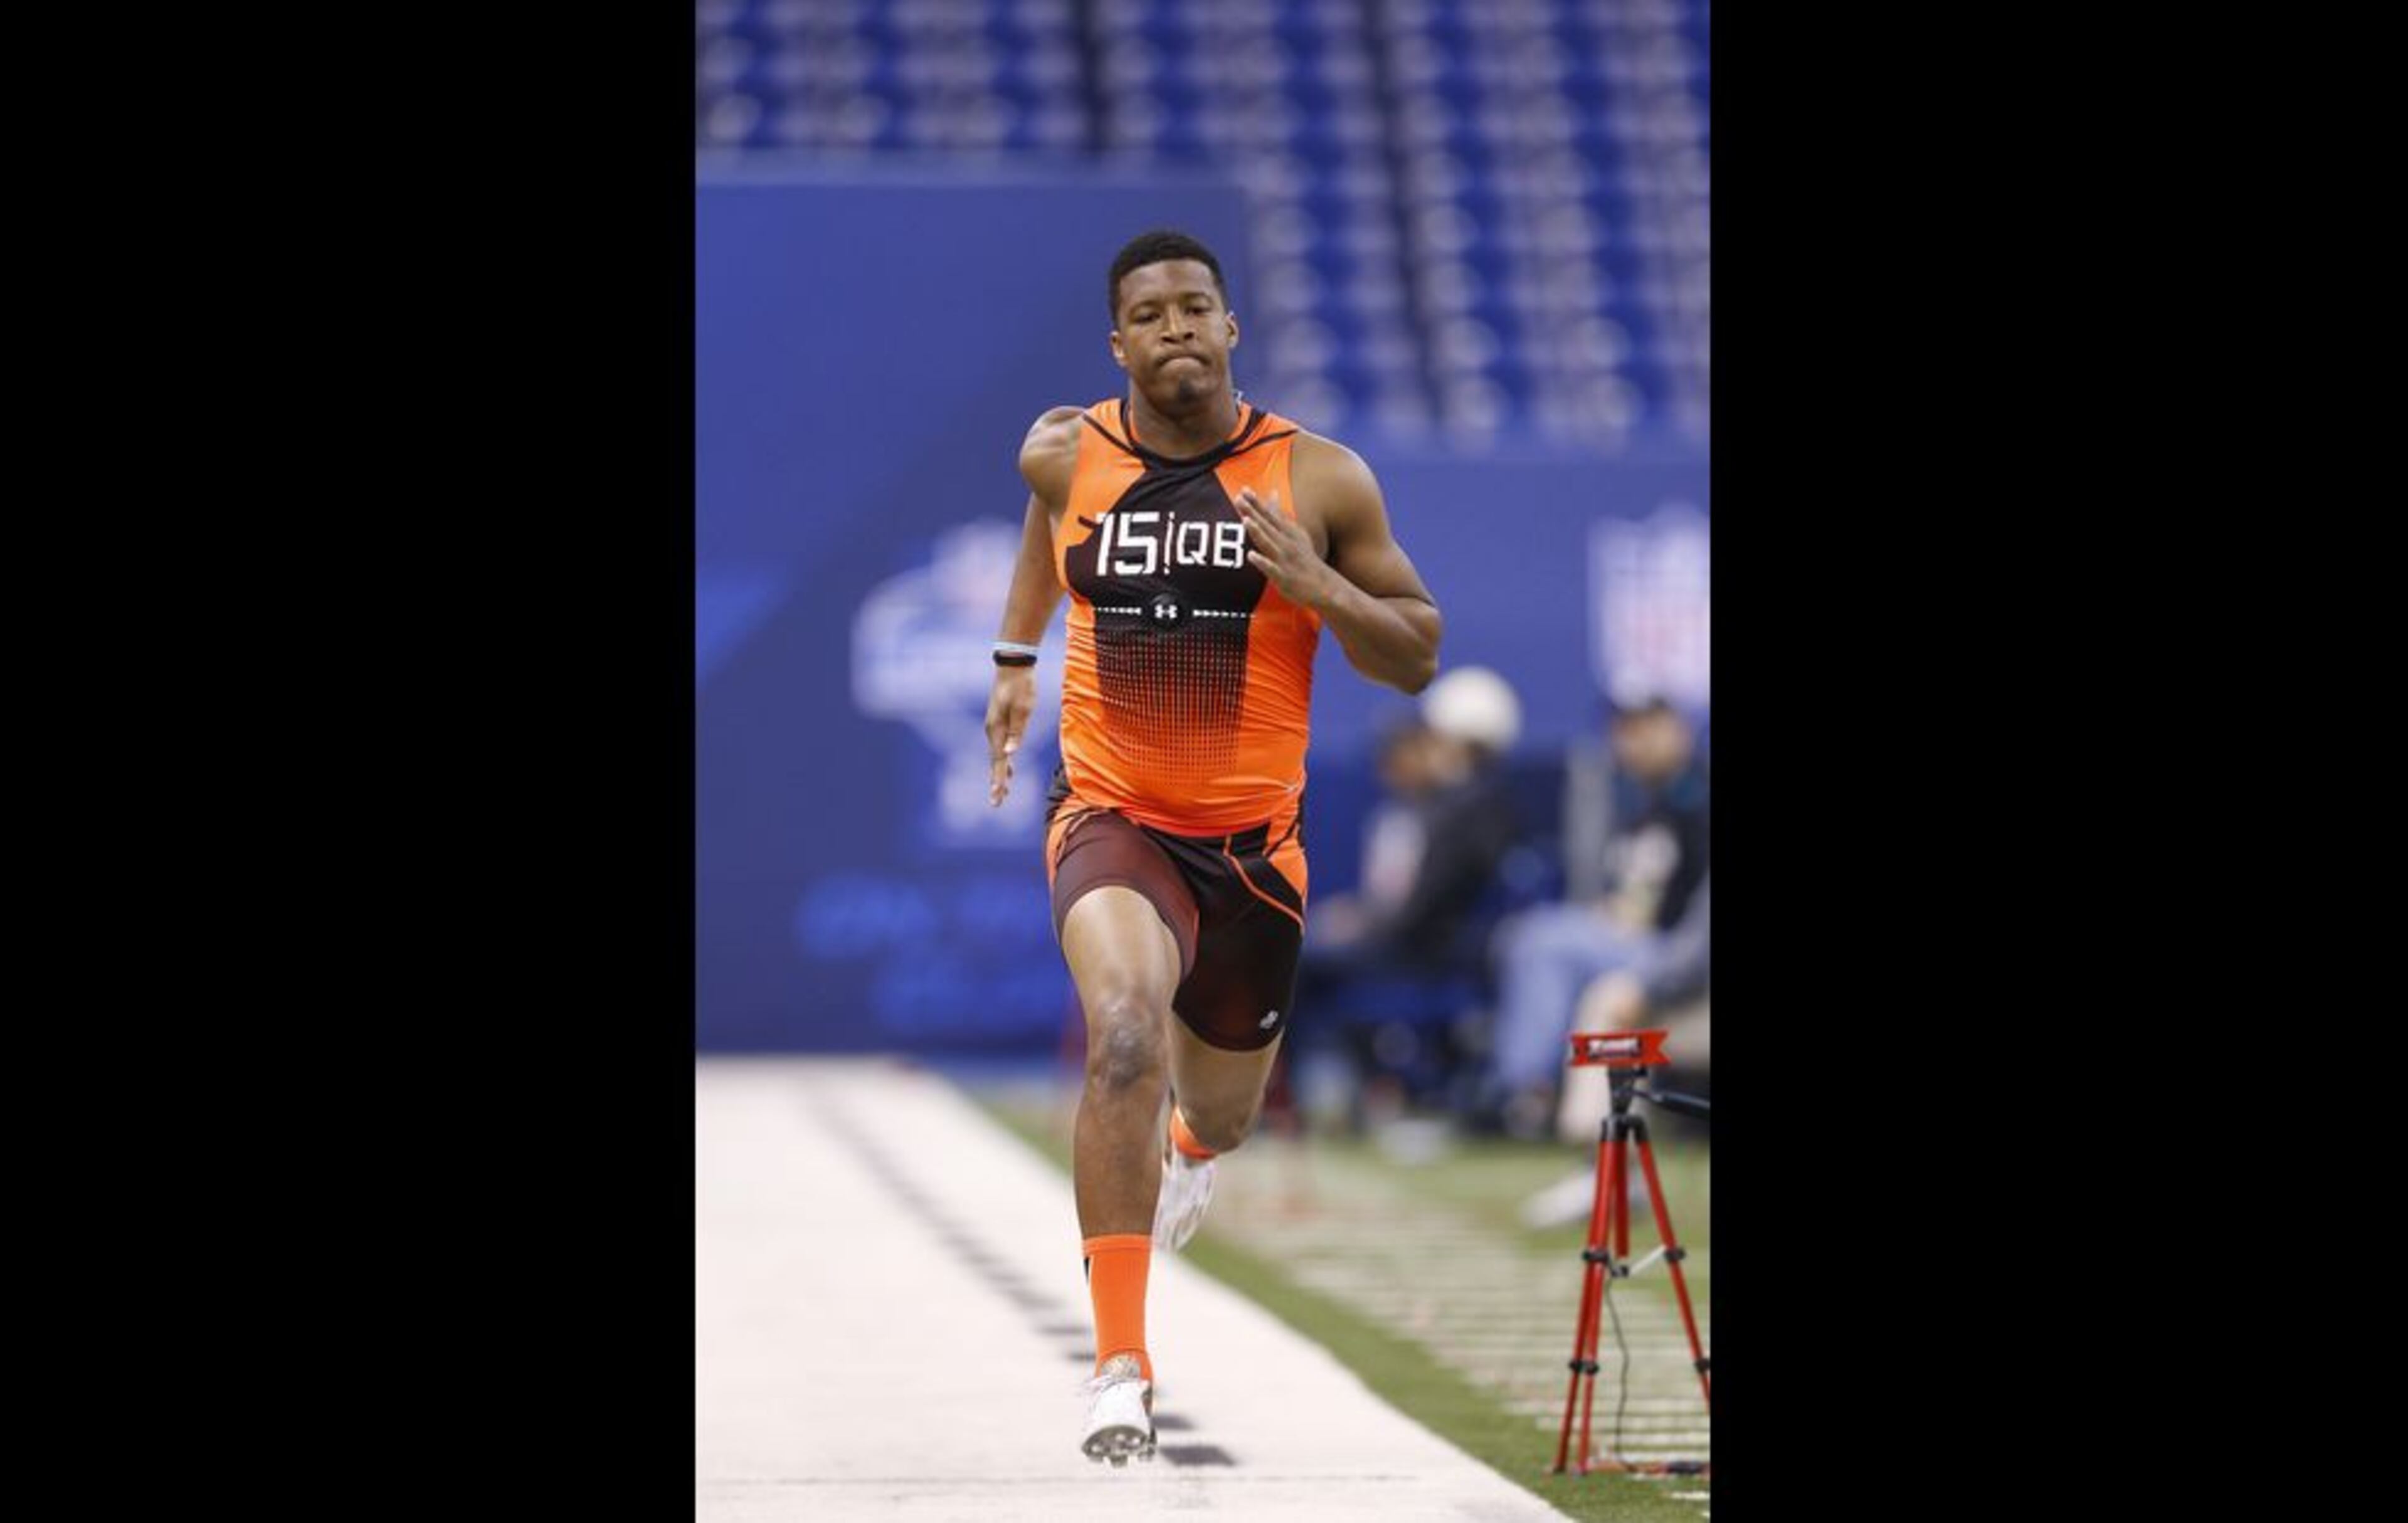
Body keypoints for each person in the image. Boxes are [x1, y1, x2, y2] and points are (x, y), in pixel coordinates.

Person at [982, 229, 1442, 1465]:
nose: (1178, 327)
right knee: (1126, 1032)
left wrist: (1319, 584)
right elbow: (1050, 530)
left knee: (1224, 1114)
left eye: (1199, 307)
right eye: (1153, 313)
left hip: (1252, 851)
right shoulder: (1066, 451)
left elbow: (1417, 652)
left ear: (1233, 329)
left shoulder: (1319, 478)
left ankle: (1189, 1147)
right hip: (1112, 813)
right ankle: (1120, 1364)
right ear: (1119, 343)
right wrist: (1018, 659)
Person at [1481, 695, 1709, 1140]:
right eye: (1626, 731)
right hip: (1640, 940)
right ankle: (1532, 1092)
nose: (1633, 743)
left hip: (1678, 953)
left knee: (1544, 943)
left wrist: (1655, 975)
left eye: (1646, 728)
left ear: (1677, 730)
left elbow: (1696, 931)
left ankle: (1526, 1092)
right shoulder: (1644, 801)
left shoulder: (1697, 796)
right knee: (1532, 937)